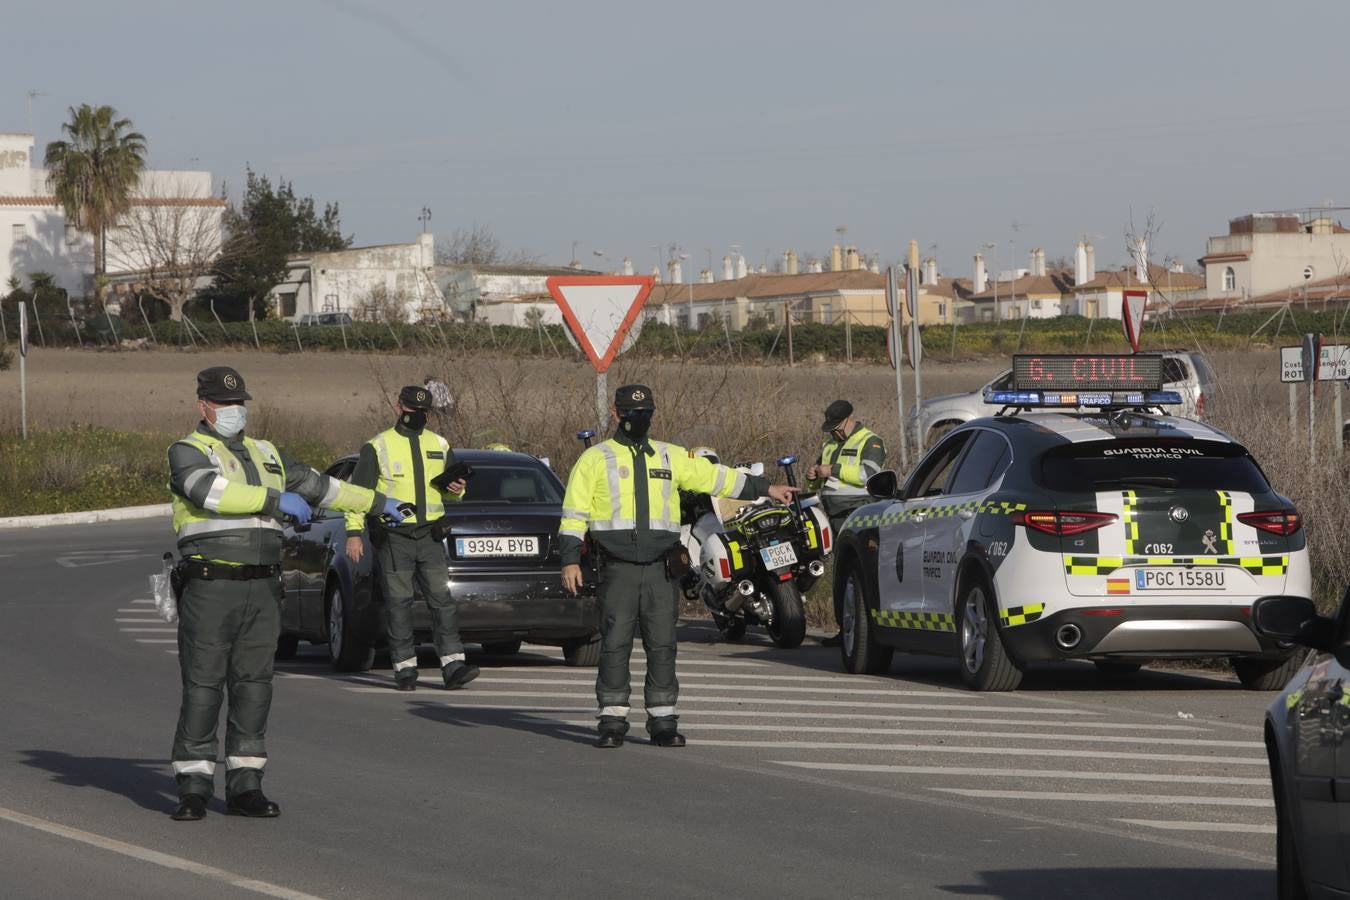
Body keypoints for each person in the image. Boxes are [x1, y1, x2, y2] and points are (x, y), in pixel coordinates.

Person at [167, 366, 404, 822]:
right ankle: (193, 787)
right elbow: (207, 491)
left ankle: (245, 786)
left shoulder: (267, 453)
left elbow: (323, 487)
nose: (236, 412)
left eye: (240, 404)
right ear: (204, 407)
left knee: (254, 687)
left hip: (262, 586)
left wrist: (379, 503)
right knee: (203, 685)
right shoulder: (188, 451)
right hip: (211, 584)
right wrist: (274, 502)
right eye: (225, 404)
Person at [559, 384, 799, 749]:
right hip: (618, 568)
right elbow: (574, 513)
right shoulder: (595, 459)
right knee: (615, 643)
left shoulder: (670, 456)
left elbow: (718, 478)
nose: (638, 420)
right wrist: (570, 560)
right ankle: (611, 720)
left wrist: (767, 488)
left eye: (645, 414)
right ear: (614, 413)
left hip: (660, 568)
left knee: (662, 644)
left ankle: (663, 720)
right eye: (630, 413)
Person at [345, 386, 479, 692]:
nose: (417, 415)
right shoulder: (377, 446)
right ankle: (405, 668)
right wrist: (354, 532)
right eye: (411, 409)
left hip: (430, 535)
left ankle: (453, 665)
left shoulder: (440, 443)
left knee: (442, 602)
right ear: (398, 407)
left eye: (423, 412)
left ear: (429, 414)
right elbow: (358, 495)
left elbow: (452, 493)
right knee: (399, 604)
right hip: (395, 537)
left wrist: (457, 488)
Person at [805, 399, 887, 646]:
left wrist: (833, 470)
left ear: (850, 419)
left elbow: (869, 475)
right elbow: (820, 482)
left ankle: (865, 631)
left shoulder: (871, 441)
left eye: (837, 426)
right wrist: (813, 476)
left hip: (859, 514)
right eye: (830, 427)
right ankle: (846, 629)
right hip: (835, 518)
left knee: (858, 574)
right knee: (843, 575)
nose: (834, 432)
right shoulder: (829, 443)